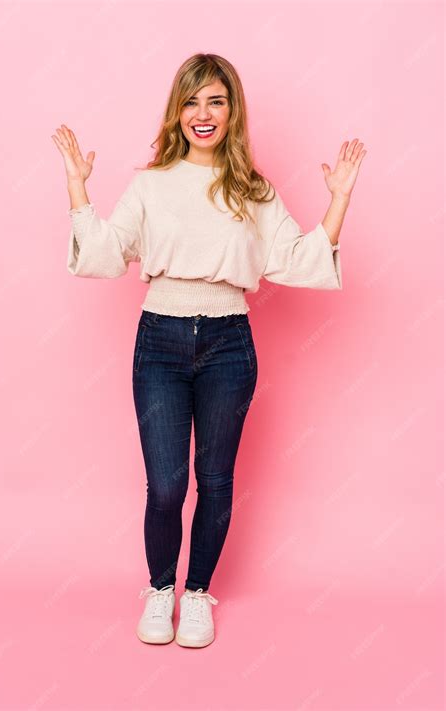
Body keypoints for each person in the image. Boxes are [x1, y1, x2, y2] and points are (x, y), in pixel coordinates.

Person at [52, 53, 366, 649]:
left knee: (216, 480)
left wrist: (339, 199)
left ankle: (197, 595)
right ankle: (161, 589)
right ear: (178, 111)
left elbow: (294, 260)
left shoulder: (252, 188)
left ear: (231, 111)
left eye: (216, 101)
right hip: (160, 339)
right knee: (166, 485)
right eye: (192, 101)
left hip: (228, 341)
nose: (203, 114)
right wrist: (76, 185)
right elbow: (107, 253)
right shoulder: (150, 184)